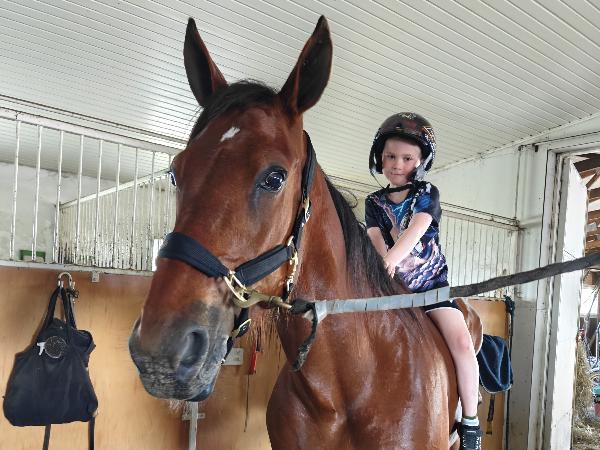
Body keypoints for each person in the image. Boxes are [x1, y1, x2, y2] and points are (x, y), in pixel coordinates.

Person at [365, 113, 482, 450]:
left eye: (407, 158)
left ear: (420, 162)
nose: (397, 164)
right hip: (392, 291)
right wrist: (381, 270)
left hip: (431, 290)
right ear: (379, 157)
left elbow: (416, 230)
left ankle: (470, 422)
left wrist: (389, 261)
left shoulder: (427, 193)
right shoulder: (373, 202)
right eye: (390, 156)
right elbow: (375, 237)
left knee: (461, 343)